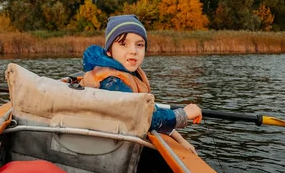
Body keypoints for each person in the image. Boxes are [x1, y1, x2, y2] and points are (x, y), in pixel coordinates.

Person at [81, 14, 202, 154]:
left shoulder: (129, 73)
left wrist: (180, 140)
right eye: (123, 44)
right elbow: (144, 119)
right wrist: (183, 114)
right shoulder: (111, 82)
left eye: (139, 45)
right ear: (109, 51)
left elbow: (151, 109)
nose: (133, 51)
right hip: (104, 151)